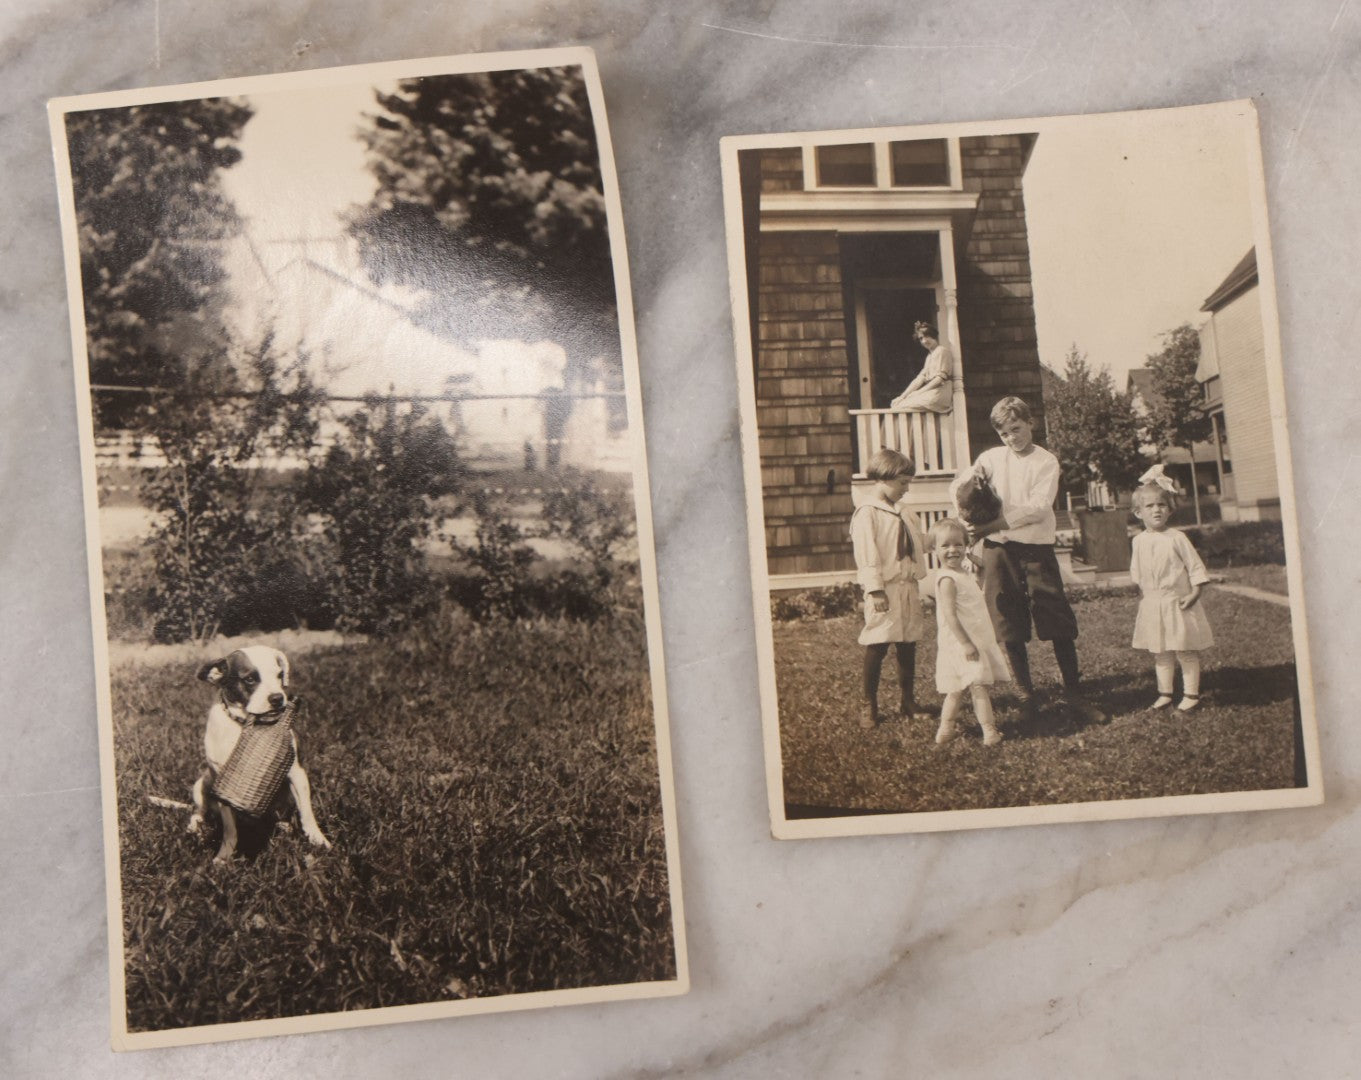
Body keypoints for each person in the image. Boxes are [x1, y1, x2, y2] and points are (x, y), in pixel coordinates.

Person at [948, 396, 1108, 726]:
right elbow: (958, 485)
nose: (1012, 438)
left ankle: (1074, 693)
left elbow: (1037, 508)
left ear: (1030, 423)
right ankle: (1025, 697)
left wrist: (989, 526)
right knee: (1008, 623)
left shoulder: (1046, 462)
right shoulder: (991, 458)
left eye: (1017, 429)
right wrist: (965, 515)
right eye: (1004, 433)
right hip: (999, 552)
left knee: (1057, 619)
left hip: (1036, 550)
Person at [851, 448, 930, 730]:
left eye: (908, 483)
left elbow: (919, 543)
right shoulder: (867, 513)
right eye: (902, 483)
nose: (906, 490)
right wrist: (875, 590)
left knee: (908, 644)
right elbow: (867, 555)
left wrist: (949, 535)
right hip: (885, 589)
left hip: (908, 586)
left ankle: (908, 701)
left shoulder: (905, 512)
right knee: (878, 643)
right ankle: (868, 703)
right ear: (883, 478)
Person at [1129, 465, 1214, 711]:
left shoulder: (1177, 538)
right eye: (1150, 506)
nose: (1156, 510)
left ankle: (1191, 695)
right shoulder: (1138, 541)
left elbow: (1195, 567)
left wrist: (1195, 593)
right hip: (1154, 605)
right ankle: (1165, 693)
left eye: (1161, 505)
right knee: (1161, 651)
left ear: (1170, 509)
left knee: (1184, 649)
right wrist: (1145, 597)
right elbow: (1138, 573)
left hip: (1179, 602)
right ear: (1138, 512)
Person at [928, 518, 1009, 746]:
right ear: (933, 550)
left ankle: (945, 729)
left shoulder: (963, 573)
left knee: (958, 688)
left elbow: (980, 576)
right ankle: (989, 731)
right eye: (945, 546)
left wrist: (975, 561)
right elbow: (950, 617)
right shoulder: (947, 580)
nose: (953, 550)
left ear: (966, 546)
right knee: (976, 684)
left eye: (958, 545)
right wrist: (965, 644)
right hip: (961, 641)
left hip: (975, 637)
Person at [890, 321, 954, 413]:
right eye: (921, 338)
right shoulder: (929, 356)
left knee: (901, 406)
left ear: (934, 336)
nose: (924, 341)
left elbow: (939, 379)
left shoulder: (942, 351)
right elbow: (920, 378)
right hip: (932, 392)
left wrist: (919, 393)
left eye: (927, 336)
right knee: (898, 403)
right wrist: (902, 396)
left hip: (940, 393)